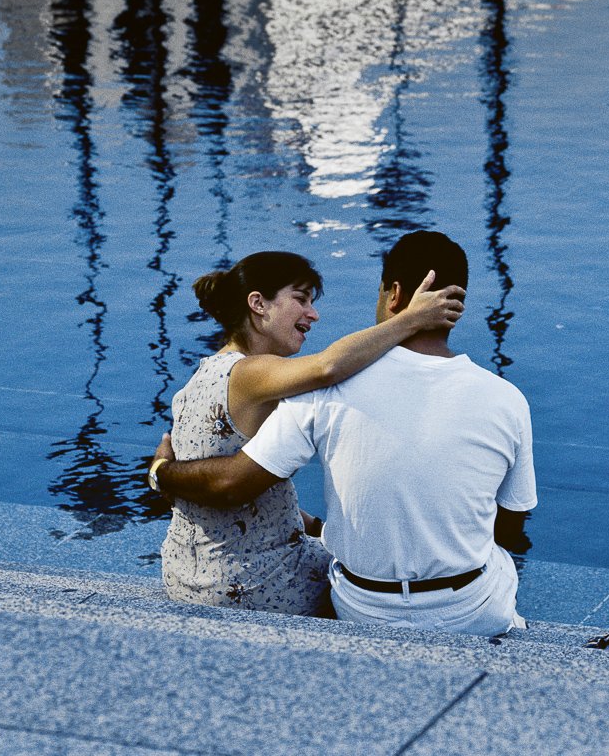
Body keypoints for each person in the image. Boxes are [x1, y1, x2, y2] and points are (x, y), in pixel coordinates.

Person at [149, 231, 535, 636]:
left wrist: (160, 469)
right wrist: (411, 319)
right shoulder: (507, 399)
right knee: (497, 563)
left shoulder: (303, 392)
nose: (313, 314)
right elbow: (510, 521)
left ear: (394, 292)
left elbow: (248, 484)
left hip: (348, 604)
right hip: (463, 611)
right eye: (302, 299)